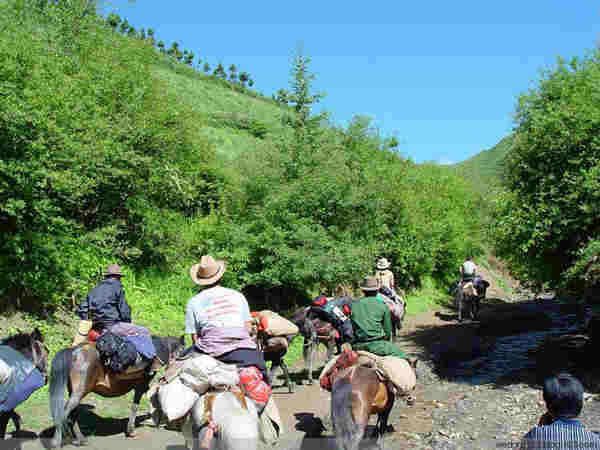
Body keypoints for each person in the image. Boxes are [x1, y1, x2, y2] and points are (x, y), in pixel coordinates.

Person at [184, 255, 270, 385]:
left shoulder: (193, 302)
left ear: (200, 280)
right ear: (220, 276)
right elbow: (247, 328)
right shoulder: (237, 296)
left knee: (180, 374)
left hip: (209, 352)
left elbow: (195, 338)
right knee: (263, 380)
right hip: (242, 352)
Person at [74, 264, 159, 372]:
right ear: (117, 277)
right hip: (113, 326)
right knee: (144, 331)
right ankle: (151, 361)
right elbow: (124, 311)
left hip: (96, 328)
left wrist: (92, 320)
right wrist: (127, 322)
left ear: (106, 276)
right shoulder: (117, 287)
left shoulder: (94, 289)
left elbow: (82, 309)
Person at [520, 372, 600, 449]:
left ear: (548, 407)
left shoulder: (534, 435)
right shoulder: (595, 440)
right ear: (580, 405)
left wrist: (541, 428)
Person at [349, 276, 406, 358]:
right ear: (377, 290)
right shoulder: (383, 306)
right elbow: (387, 332)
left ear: (363, 290)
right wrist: (385, 343)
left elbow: (352, 328)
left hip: (358, 345)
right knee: (404, 357)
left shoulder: (354, 305)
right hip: (379, 346)